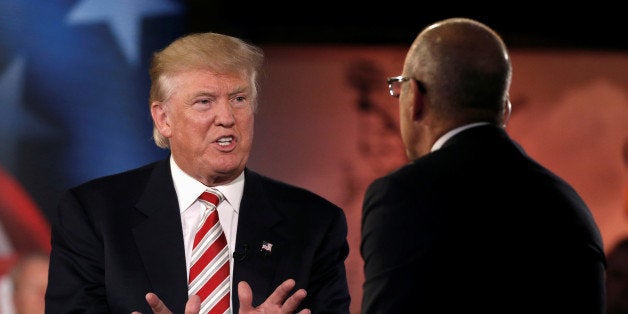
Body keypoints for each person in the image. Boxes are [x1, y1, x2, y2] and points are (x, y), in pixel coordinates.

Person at [45, 32, 351, 313]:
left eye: (239, 99)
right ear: (164, 118)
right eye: (205, 102)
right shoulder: (94, 214)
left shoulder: (314, 224)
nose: (227, 117)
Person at [360, 17, 606, 313]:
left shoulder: (403, 196)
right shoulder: (570, 207)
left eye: (399, 89)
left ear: (415, 98)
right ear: (505, 111)